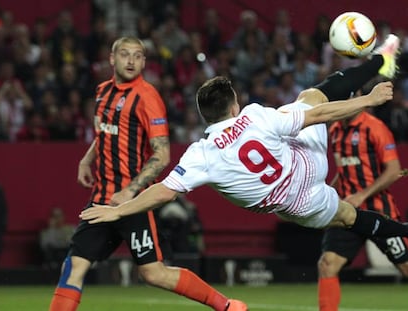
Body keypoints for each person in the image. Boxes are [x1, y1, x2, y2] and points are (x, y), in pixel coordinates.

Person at [80, 35, 408, 251]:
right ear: (234, 105)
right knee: (312, 97)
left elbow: (164, 191)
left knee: (350, 217)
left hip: (295, 205)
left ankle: (404, 232)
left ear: (205, 116)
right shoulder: (254, 116)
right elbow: (318, 115)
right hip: (308, 163)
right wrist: (366, 100)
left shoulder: (202, 154)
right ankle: (380, 63)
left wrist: (119, 210)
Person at [48, 36, 247, 311]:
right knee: (74, 266)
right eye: (125, 54)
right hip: (101, 200)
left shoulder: (148, 98)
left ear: (144, 61)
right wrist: (87, 158)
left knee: (153, 273)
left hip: (133, 203)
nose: (131, 61)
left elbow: (162, 154)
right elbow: (107, 130)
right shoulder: (102, 91)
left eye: (138, 56)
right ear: (112, 59)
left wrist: (130, 191)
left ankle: (226, 305)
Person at [317, 88, 408, 311]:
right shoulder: (336, 129)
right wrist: (329, 191)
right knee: (327, 264)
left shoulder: (374, 127)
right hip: (347, 211)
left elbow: (394, 170)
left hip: (378, 210)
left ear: (356, 99)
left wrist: (362, 195)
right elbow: (344, 168)